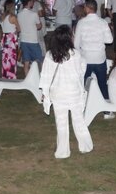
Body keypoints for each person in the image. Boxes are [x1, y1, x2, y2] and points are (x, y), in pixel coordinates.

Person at [39, 26, 93, 159]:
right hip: (73, 92)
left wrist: (45, 92)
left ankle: (63, 151)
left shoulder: (50, 55)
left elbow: (45, 75)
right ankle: (85, 145)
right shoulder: (76, 54)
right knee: (78, 120)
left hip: (58, 93)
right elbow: (81, 70)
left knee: (61, 122)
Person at [74, 0, 113, 108]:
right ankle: (107, 110)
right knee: (102, 84)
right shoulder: (103, 22)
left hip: (86, 58)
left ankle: (82, 106)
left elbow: (76, 43)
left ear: (87, 8)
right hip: (99, 57)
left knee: (83, 83)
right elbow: (109, 40)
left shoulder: (81, 23)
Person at [16, 0, 43, 79]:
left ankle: (27, 79)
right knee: (39, 60)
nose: (33, 3)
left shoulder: (19, 14)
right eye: (32, 1)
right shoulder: (34, 14)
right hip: (33, 40)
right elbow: (39, 27)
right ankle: (39, 78)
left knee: (26, 62)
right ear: (29, 1)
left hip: (23, 40)